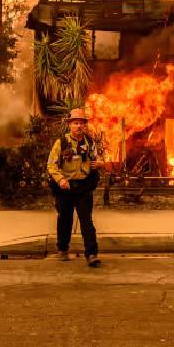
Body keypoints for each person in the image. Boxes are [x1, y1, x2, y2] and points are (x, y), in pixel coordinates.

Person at [47, 108, 103, 267]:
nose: (79, 126)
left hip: (83, 187)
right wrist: (60, 180)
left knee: (87, 221)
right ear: (70, 125)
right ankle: (63, 249)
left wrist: (99, 163)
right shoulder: (61, 143)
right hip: (65, 188)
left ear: (85, 126)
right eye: (75, 123)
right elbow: (51, 166)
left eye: (81, 123)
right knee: (65, 219)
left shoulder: (89, 143)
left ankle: (91, 254)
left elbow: (97, 159)